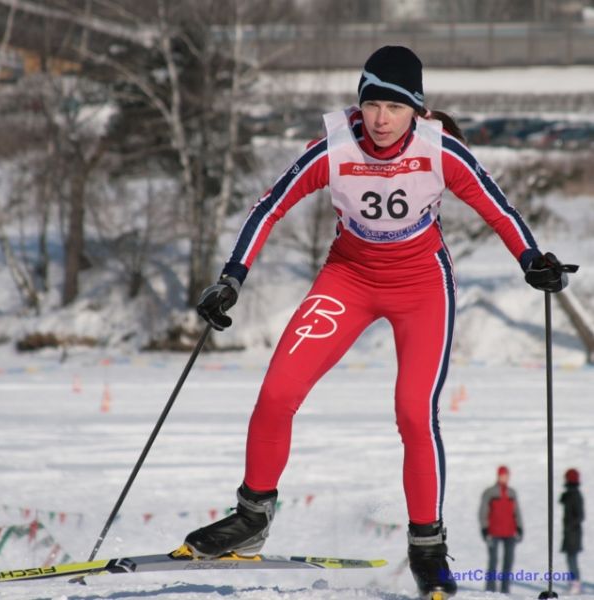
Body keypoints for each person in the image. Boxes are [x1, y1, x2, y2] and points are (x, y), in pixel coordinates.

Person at [178, 45, 574, 599]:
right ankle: (251, 518)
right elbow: (269, 206)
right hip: (349, 278)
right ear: (358, 104)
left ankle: (428, 549)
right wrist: (232, 277)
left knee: (414, 413)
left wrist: (533, 261)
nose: (381, 119)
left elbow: (495, 205)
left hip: (421, 288)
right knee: (276, 393)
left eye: (394, 107)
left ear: (416, 108)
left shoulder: (442, 152)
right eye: (371, 105)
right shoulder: (334, 148)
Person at [478, 465, 523, 593]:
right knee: (493, 561)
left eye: (506, 475)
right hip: (494, 532)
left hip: (510, 532)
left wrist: (519, 527)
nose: (505, 478)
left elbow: (516, 512)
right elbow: (483, 511)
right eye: (502, 475)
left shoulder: (511, 493)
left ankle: (505, 590)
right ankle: (490, 590)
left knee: (508, 562)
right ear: (498, 476)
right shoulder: (490, 492)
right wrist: (485, 529)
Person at [561, 468, 585, 594]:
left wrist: (570, 526)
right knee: (570, 558)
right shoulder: (570, 494)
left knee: (572, 559)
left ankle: (576, 583)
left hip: (573, 533)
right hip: (570, 533)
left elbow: (580, 515)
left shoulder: (575, 495)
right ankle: (574, 581)